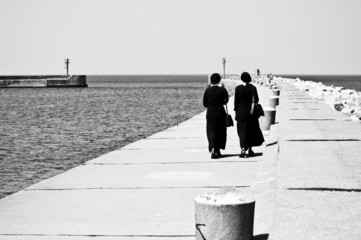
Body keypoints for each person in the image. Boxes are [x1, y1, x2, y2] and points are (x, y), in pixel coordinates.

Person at [234, 72, 264, 158]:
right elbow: (257, 100)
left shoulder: (238, 88)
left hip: (241, 112)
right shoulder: (253, 88)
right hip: (251, 112)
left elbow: (236, 102)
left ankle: (243, 149)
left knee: (242, 131)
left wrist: (236, 112)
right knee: (251, 130)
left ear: (241, 78)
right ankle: (250, 149)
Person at [203, 73, 229, 159]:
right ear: (219, 80)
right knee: (220, 131)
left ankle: (212, 148)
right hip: (220, 111)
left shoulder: (207, 90)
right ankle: (218, 150)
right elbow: (225, 101)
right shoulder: (222, 90)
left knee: (211, 131)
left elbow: (205, 103)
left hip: (210, 112)